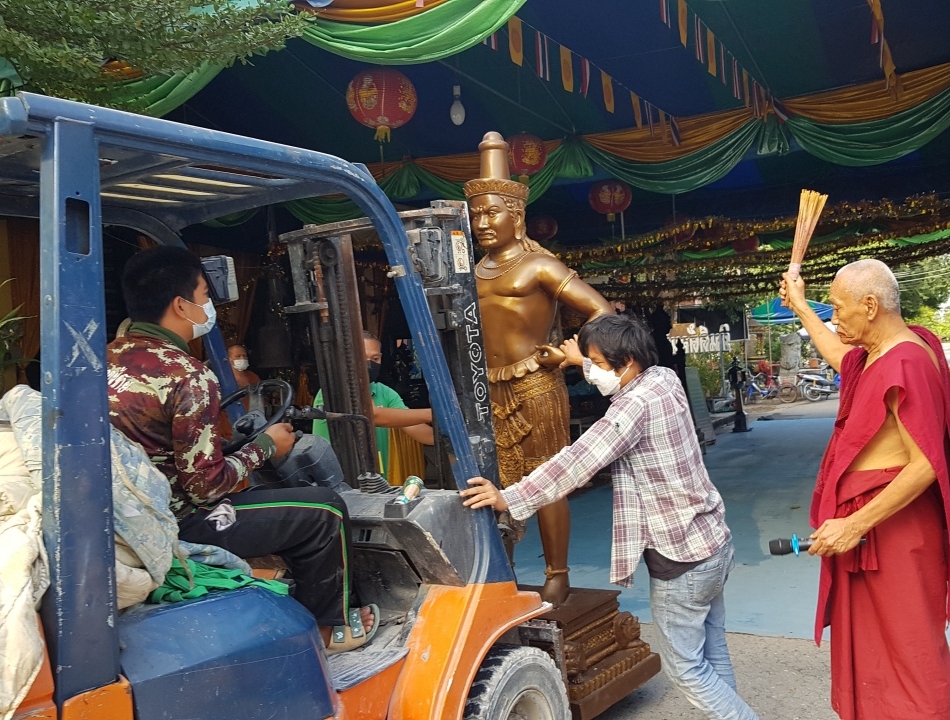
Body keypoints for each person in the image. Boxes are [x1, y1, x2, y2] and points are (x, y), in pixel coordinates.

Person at [461, 314, 759, 720]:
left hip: (681, 562)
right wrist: (577, 361)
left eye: (599, 363)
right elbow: (618, 380)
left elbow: (577, 460)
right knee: (712, 650)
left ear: (628, 361)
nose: (595, 373)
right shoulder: (663, 380)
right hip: (713, 544)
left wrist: (508, 497)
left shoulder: (630, 409)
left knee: (687, 669)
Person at [106, 246, 376, 652]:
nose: (207, 306)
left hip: (127, 509)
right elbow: (204, 488)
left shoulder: (104, 359)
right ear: (181, 306)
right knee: (324, 510)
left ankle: (287, 602)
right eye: (203, 297)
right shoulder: (188, 376)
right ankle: (325, 628)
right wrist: (266, 446)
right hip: (179, 519)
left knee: (272, 501)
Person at [780, 259, 950, 720]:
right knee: (871, 644)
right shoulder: (876, 354)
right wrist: (802, 307)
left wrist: (855, 523)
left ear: (870, 305)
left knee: (909, 647)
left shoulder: (908, 360)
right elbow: (838, 356)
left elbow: (928, 462)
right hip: (870, 523)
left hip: (893, 527)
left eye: (838, 308)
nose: (834, 318)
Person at [466, 131, 614, 605]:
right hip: (488, 387)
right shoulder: (472, 270)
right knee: (492, 479)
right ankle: (501, 565)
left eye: (493, 213)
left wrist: (570, 352)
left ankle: (557, 571)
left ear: (518, 216)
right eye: (476, 214)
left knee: (547, 479)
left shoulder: (540, 266)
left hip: (534, 385)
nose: (483, 223)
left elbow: (602, 311)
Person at [312, 331, 433, 481]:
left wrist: (449, 438)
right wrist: (435, 414)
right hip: (336, 479)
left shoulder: (384, 392)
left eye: (375, 358)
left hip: (374, 478)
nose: (369, 364)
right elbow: (373, 415)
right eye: (361, 358)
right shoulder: (333, 390)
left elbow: (413, 427)